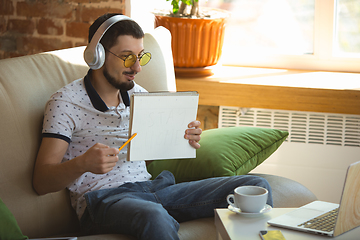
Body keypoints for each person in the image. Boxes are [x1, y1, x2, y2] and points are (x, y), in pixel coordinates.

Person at [33, 13, 273, 240]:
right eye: (127, 57)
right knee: (154, 216)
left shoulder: (140, 96)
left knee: (255, 187)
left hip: (155, 189)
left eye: (141, 57)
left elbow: (148, 156)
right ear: (98, 55)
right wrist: (82, 163)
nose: (137, 68)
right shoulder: (65, 103)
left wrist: (181, 138)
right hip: (104, 201)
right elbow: (41, 181)